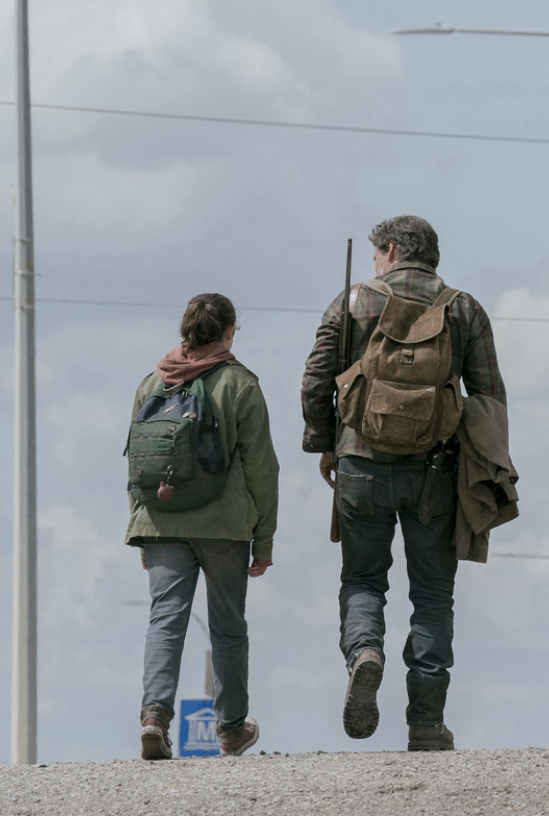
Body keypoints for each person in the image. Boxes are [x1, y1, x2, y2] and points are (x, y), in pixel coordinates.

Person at [300, 216, 507, 752]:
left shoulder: (352, 302)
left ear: (390, 251)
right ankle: (425, 724)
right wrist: (486, 471)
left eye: (377, 255)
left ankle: (365, 652)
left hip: (361, 464)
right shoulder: (464, 308)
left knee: (365, 580)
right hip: (436, 471)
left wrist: (325, 442)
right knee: (433, 597)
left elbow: (316, 377)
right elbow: (489, 397)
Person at [126, 293, 279, 760]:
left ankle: (154, 716)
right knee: (228, 627)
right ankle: (231, 729)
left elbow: (137, 461)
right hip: (224, 524)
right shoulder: (239, 384)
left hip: (162, 521)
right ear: (230, 330)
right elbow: (262, 468)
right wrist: (264, 539)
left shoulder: (152, 383)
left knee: (164, 621)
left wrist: (141, 528)